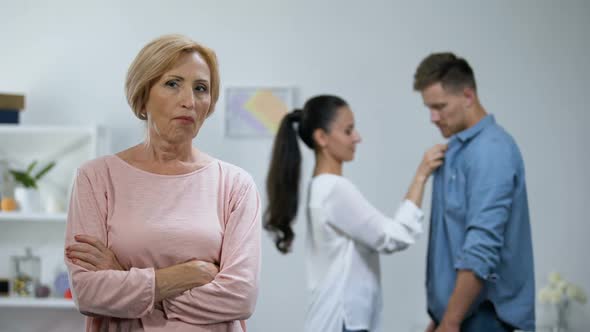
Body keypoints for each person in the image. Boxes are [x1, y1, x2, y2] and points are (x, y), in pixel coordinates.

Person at [64, 34, 261, 331]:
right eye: (173, 84)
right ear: (143, 96)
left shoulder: (236, 185)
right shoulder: (95, 178)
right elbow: (88, 293)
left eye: (201, 88)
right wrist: (183, 276)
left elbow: (241, 298)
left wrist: (125, 277)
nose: (189, 101)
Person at [264, 95, 446, 332]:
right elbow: (393, 237)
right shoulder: (334, 190)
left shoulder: (320, 187)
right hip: (342, 323)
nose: (357, 137)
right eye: (349, 131)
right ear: (322, 138)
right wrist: (421, 175)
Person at [413, 53, 535, 332]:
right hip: (461, 318)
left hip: (486, 320)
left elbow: (481, 247)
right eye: (428, 108)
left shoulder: (492, 151)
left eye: (440, 107)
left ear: (468, 96)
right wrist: (441, 317)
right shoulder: (454, 151)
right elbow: (452, 244)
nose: (433, 118)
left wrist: (451, 320)